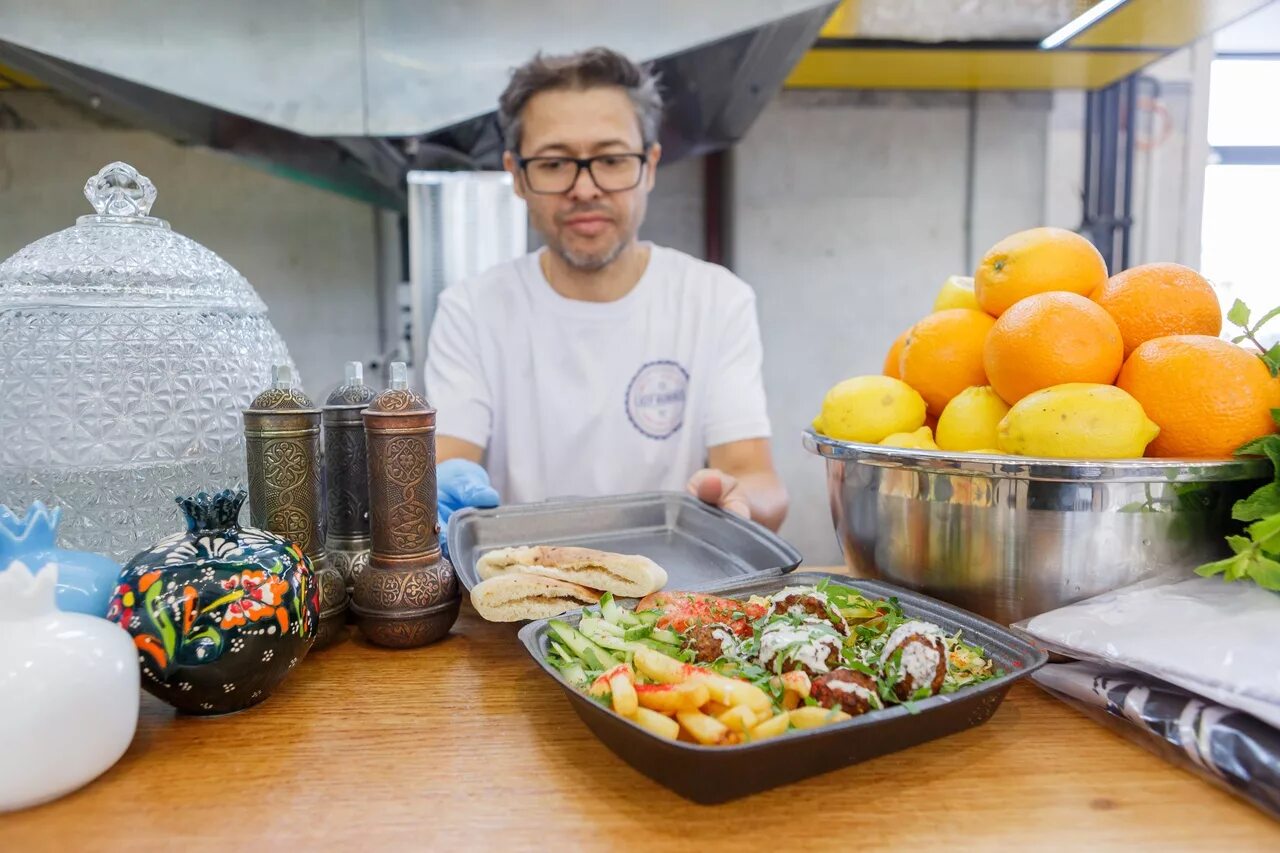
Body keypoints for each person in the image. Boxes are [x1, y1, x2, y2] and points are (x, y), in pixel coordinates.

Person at [427, 47, 788, 549]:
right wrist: (436, 493)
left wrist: (739, 504)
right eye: (554, 164)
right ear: (517, 175)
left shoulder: (714, 300)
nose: (585, 188)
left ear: (650, 164)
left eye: (612, 160)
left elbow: (756, 477)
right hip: (520, 587)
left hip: (669, 595)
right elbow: (448, 462)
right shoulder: (472, 310)